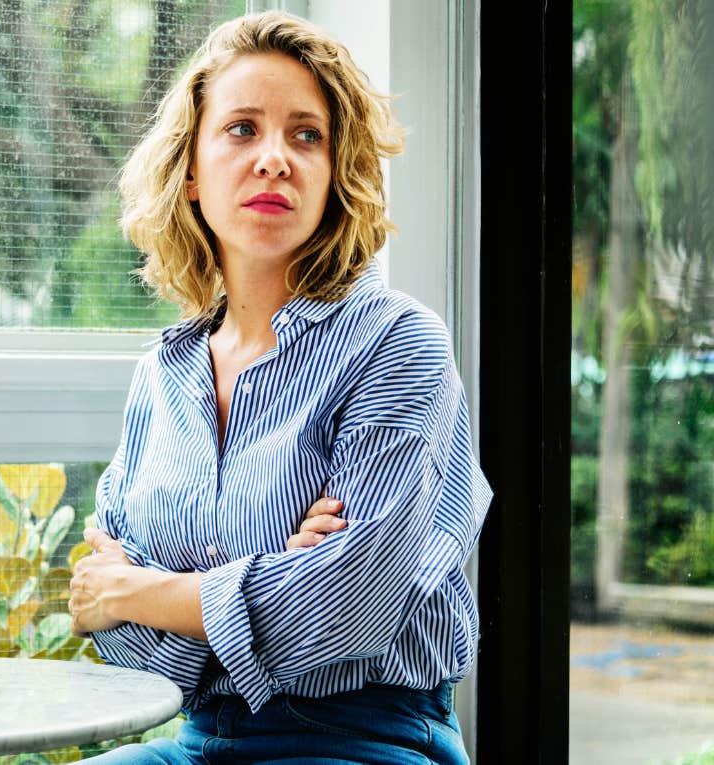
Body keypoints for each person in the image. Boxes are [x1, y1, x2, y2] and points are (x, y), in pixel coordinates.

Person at [68, 11, 490, 764]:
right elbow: (113, 632)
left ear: (337, 171)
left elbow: (348, 607)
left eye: (306, 134)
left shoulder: (398, 342)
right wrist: (273, 579)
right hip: (199, 739)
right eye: (240, 129)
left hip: (367, 736)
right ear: (191, 171)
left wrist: (148, 590)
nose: (274, 158)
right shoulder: (161, 374)